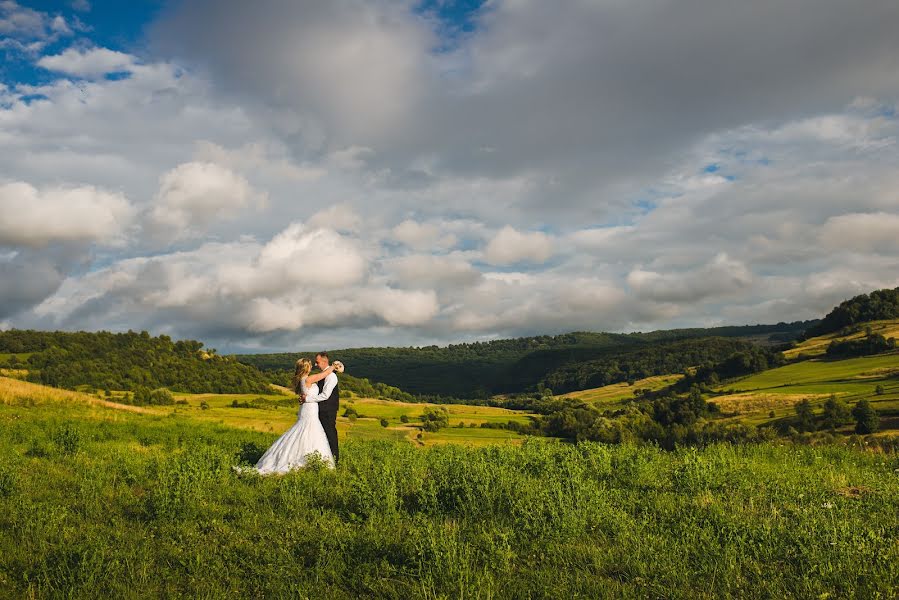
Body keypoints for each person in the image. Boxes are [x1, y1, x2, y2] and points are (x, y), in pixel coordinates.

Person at [252, 358, 337, 474]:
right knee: (309, 432)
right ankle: (307, 460)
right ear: (307, 367)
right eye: (310, 365)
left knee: (306, 433)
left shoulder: (302, 379)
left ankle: (307, 459)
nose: (312, 366)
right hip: (309, 409)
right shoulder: (309, 379)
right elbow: (325, 373)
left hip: (307, 408)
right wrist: (334, 366)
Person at [300, 352, 341, 464]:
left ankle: (334, 460)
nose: (316, 364)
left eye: (317, 362)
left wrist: (307, 399)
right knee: (321, 435)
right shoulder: (323, 374)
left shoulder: (331, 376)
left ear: (324, 361)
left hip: (328, 410)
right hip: (320, 410)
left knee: (330, 434)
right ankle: (322, 459)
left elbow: (325, 395)